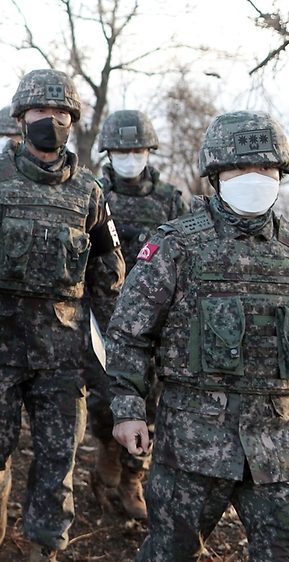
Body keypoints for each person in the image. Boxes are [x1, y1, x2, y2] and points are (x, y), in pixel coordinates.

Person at [108, 110, 289, 562]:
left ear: (282, 174)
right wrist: (129, 408)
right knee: (167, 558)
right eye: (240, 168)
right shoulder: (176, 245)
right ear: (216, 174)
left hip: (279, 446)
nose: (255, 178)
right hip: (194, 445)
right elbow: (130, 331)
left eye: (267, 169)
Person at [0, 69, 125, 562]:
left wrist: (117, 348)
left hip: (62, 357)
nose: (52, 121)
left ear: (72, 122)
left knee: (57, 460)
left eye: (63, 114)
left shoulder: (90, 192)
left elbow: (107, 274)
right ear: (21, 118)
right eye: (41, 113)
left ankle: (42, 548)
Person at [86, 109, 192, 520]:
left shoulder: (170, 200)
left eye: (138, 149)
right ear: (109, 152)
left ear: (149, 150)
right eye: (122, 149)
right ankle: (106, 453)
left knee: (149, 403)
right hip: (104, 321)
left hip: (157, 326)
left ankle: (133, 480)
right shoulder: (95, 194)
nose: (131, 156)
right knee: (102, 401)